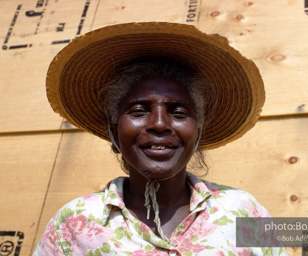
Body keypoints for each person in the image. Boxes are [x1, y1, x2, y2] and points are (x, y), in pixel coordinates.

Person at [34, 22, 286, 255]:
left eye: (178, 112)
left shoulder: (242, 211)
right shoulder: (74, 222)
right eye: (139, 111)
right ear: (114, 133)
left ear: (197, 132)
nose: (159, 124)